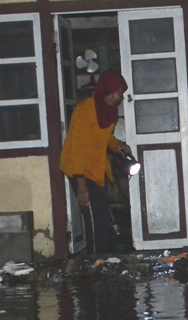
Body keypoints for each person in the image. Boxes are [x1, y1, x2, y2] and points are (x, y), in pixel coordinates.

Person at [59, 70, 132, 253]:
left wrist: (117, 145)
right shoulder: (84, 110)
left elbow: (104, 137)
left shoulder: (110, 112)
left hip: (96, 167)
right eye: (113, 92)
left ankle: (101, 258)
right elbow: (77, 147)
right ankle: (93, 261)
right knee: (91, 215)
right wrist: (81, 184)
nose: (116, 97)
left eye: (120, 94)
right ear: (103, 90)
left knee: (101, 216)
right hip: (78, 168)